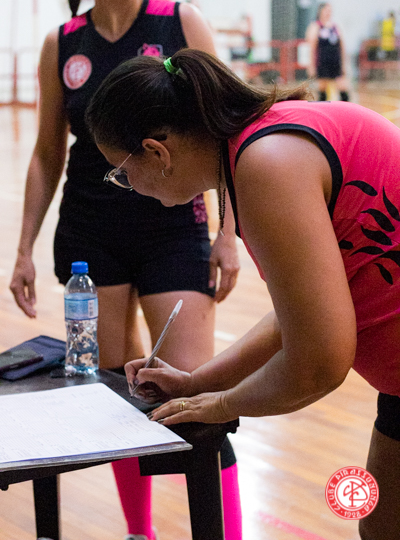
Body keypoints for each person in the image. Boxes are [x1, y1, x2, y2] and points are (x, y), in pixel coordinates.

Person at [86, 47, 400, 540]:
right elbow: (298, 318)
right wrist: (196, 384)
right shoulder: (261, 146)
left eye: (121, 172)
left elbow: (319, 363)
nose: (125, 185)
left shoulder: (266, 164)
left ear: (157, 152)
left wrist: (222, 404)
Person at [9, 0, 242, 539]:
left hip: (174, 229)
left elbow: (226, 132)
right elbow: (46, 153)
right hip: (91, 236)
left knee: (199, 405)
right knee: (116, 396)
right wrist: (24, 249)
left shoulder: (180, 21)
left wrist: (229, 232)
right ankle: (141, 532)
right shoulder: (63, 43)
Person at [306, 2, 350, 101]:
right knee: (322, 90)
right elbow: (311, 48)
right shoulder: (315, 26)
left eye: (330, 10)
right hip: (322, 63)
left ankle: (345, 109)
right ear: (320, 11)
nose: (328, 13)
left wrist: (344, 64)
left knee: (343, 88)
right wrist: (311, 66)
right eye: (326, 10)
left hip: (336, 62)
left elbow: (342, 47)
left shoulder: (336, 27)